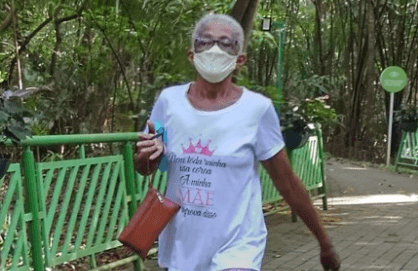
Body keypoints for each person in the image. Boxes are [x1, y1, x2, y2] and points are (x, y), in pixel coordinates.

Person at [134, 14, 341, 271]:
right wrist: (147, 156)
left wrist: (323, 240)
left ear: (239, 59)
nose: (214, 50)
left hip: (238, 246)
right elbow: (145, 167)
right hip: (182, 245)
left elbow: (286, 181)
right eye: (206, 43)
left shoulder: (257, 109)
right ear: (191, 54)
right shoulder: (169, 102)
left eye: (225, 43)